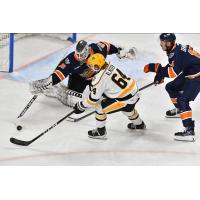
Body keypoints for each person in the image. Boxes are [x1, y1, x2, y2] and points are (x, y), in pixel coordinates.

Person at [29, 40, 136, 107]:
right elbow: (60, 73)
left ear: (88, 50)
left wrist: (119, 51)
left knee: (105, 98)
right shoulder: (71, 59)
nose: (80, 57)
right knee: (73, 101)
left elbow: (107, 46)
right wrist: (50, 81)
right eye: (78, 54)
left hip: (98, 77)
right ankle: (56, 90)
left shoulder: (97, 48)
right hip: (78, 78)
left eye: (83, 54)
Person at [73, 53, 145, 139]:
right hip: (134, 91)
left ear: (97, 67)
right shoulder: (110, 66)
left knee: (99, 107)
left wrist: (80, 106)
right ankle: (139, 124)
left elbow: (92, 100)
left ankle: (100, 132)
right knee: (128, 109)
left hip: (125, 99)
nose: (89, 68)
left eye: (91, 66)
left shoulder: (99, 79)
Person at [144, 33, 200, 142]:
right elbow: (172, 67)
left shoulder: (176, 53)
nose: (161, 44)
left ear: (170, 43)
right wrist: (159, 74)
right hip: (191, 71)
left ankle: (189, 130)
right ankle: (180, 109)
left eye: (163, 42)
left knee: (183, 99)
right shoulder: (174, 49)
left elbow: (172, 73)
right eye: (161, 41)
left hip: (197, 75)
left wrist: (155, 68)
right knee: (171, 87)